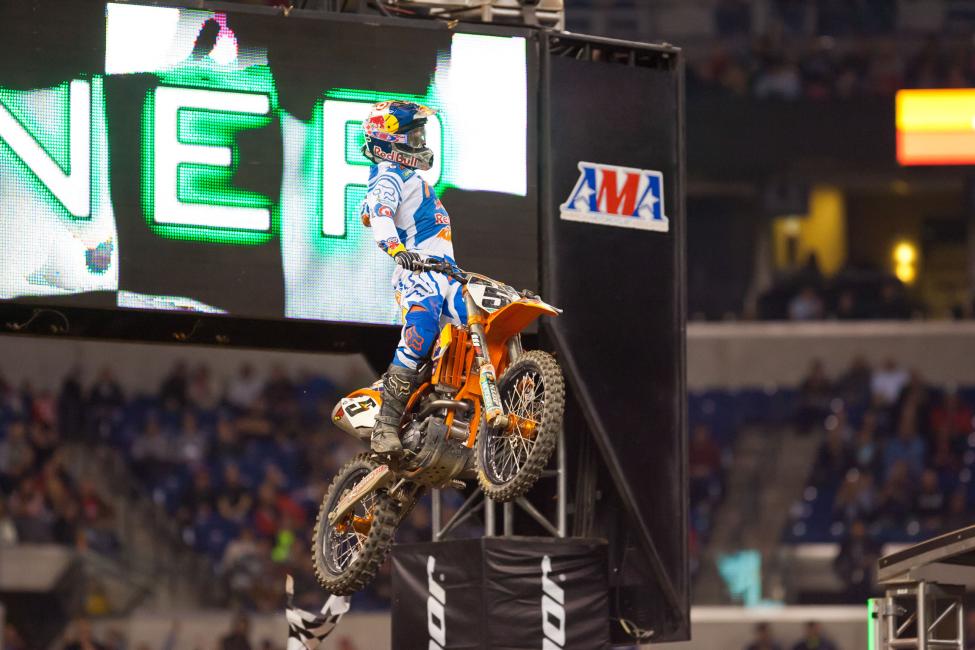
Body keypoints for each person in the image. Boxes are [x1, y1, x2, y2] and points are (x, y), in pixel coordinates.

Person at [358, 100, 465, 455]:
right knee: (421, 327)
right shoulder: (390, 176)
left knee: (471, 326)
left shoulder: (411, 178)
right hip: (417, 269)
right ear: (391, 141)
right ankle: (384, 427)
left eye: (420, 135)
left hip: (445, 271)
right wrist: (395, 248)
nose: (420, 142)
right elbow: (380, 212)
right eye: (414, 135)